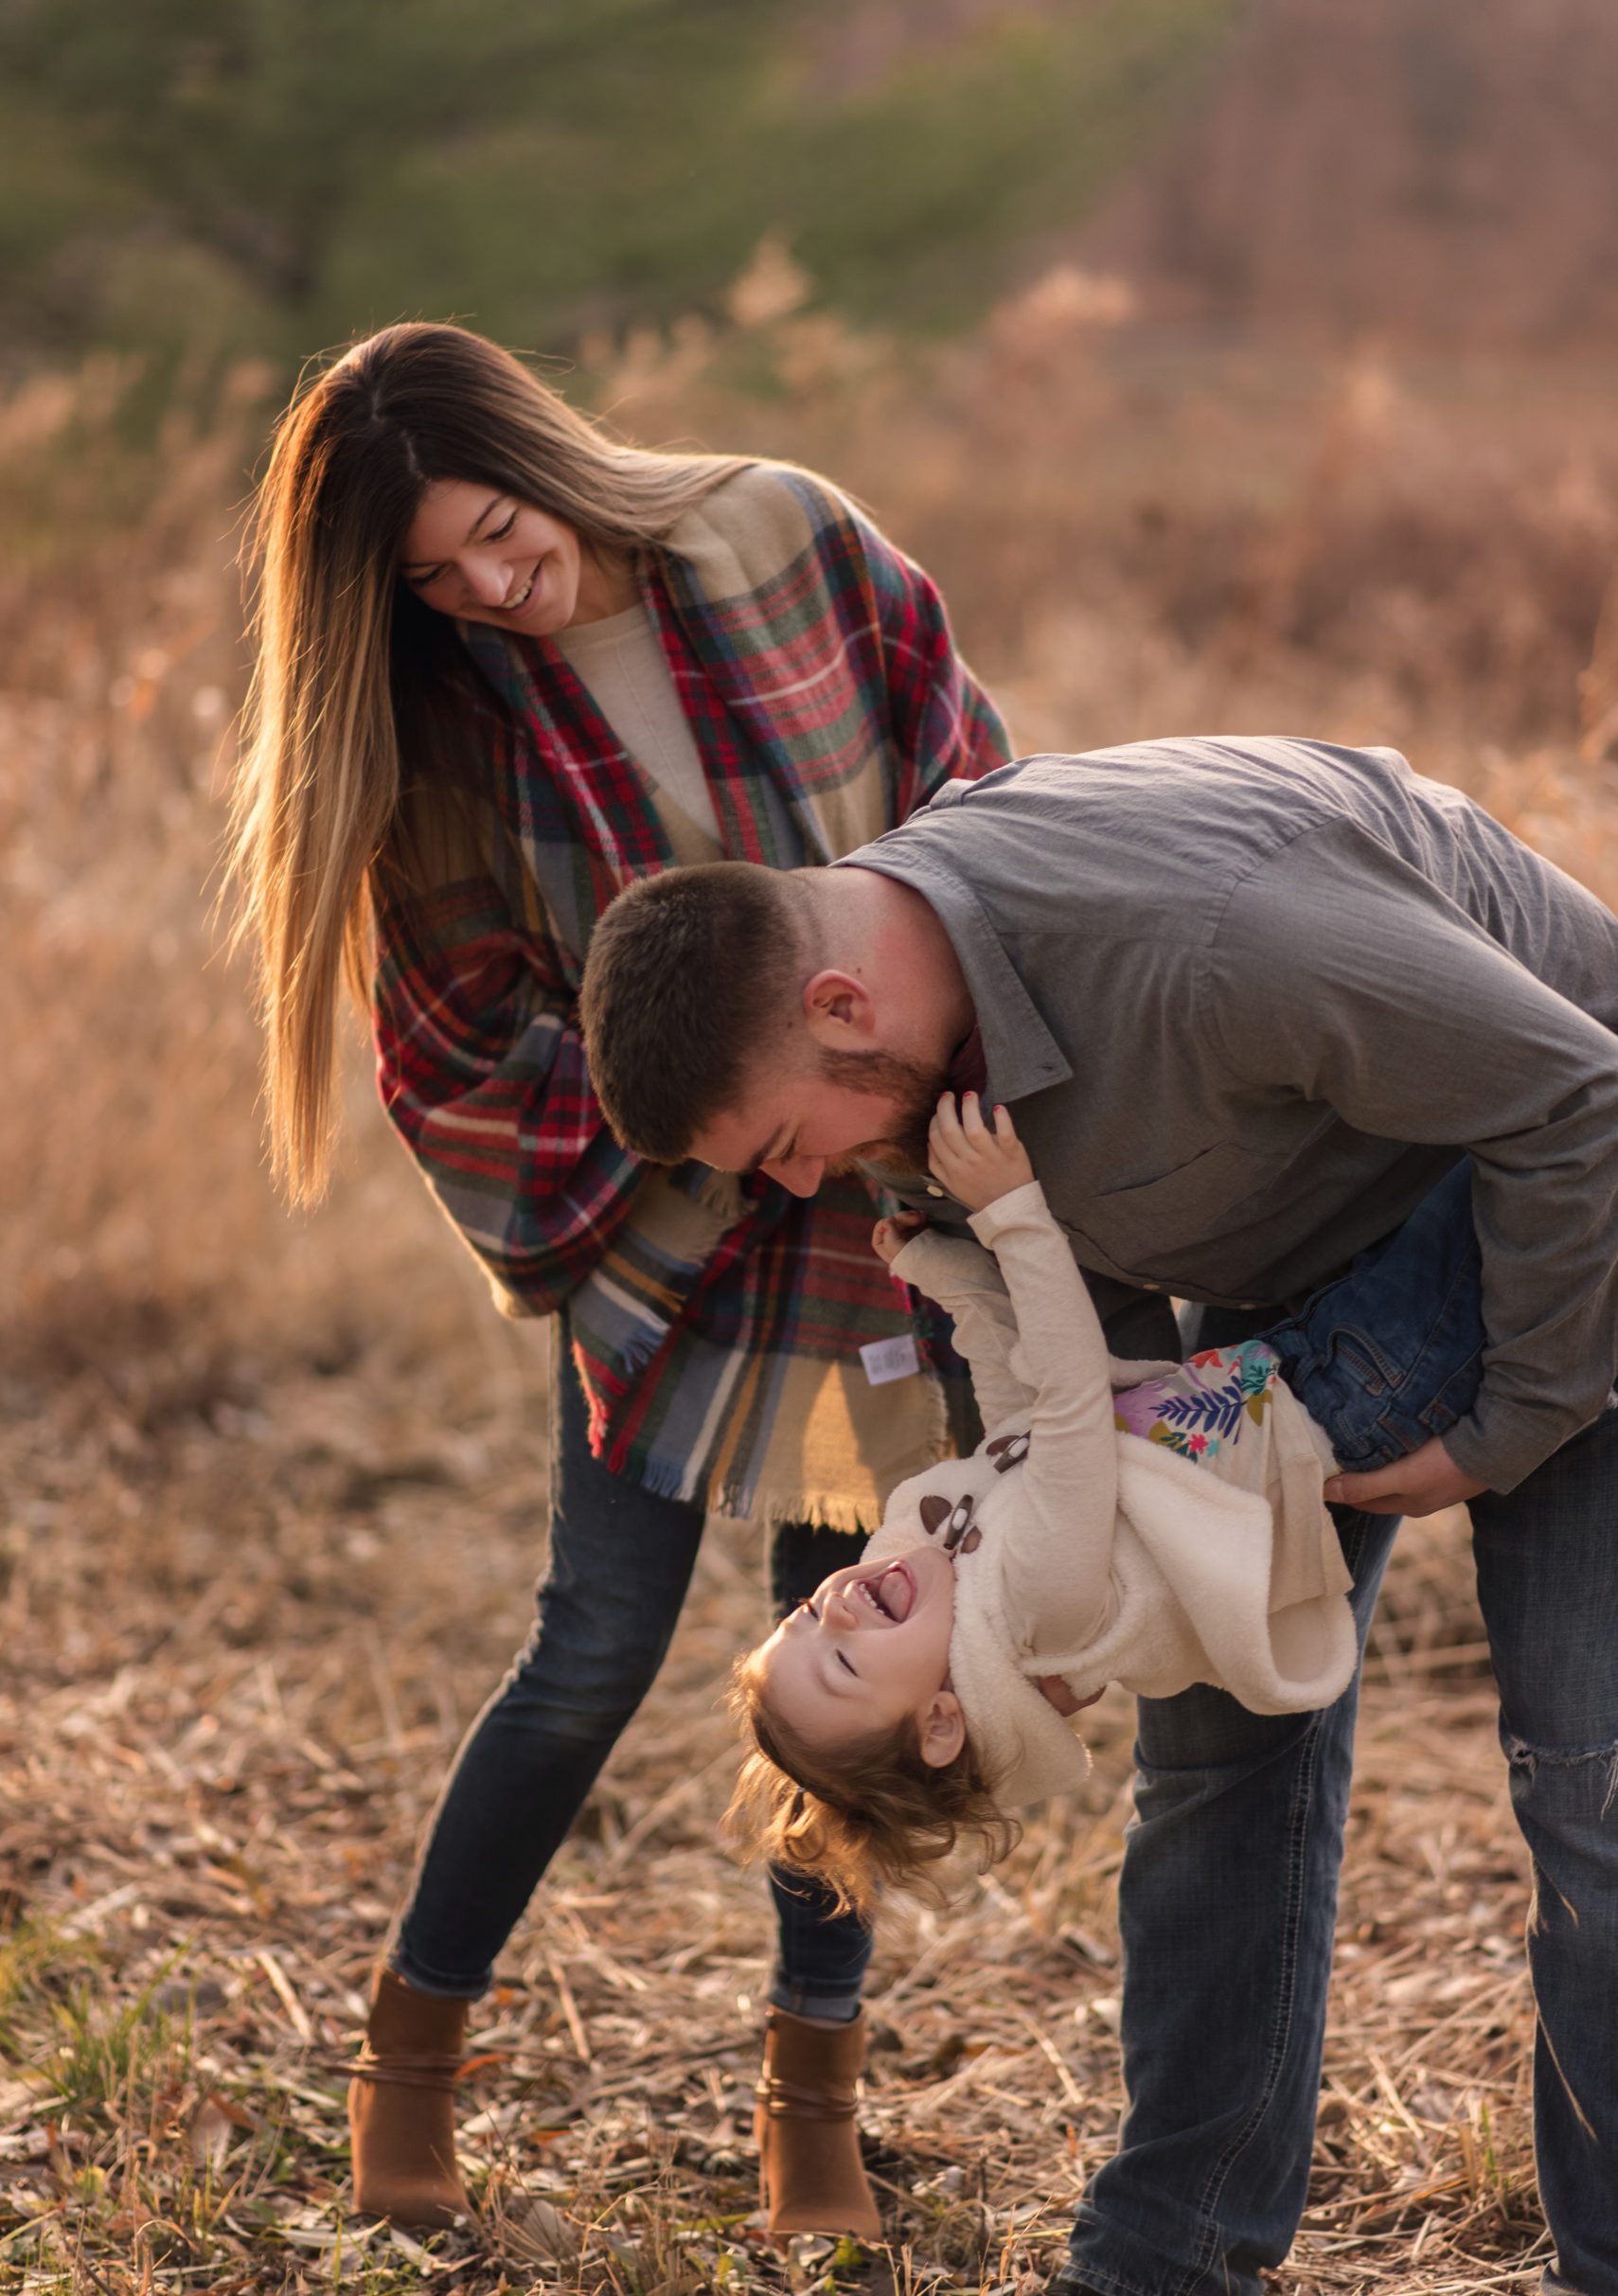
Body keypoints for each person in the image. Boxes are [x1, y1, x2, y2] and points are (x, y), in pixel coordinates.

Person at [578, 737, 1618, 2296]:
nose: (804, 1184)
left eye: (787, 1142)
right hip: (1272, 1352)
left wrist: (1508, 1427)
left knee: (1586, 1792)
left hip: (1559, 1205)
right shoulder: (922, 1086)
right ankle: (1163, 2261)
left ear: (840, 1007)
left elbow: (1577, 1098)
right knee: (1209, 1781)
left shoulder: (1214, 935)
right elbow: (1051, 1390)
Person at [227, 320, 1008, 2237]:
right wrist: (697, 1137)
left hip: (882, 1191)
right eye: (435, 577)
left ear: (544, 457)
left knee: (832, 1657)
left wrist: (907, 1073)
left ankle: (803, 2104)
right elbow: (445, 1044)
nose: (493, 586)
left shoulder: (779, 539)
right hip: (659, 1240)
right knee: (589, 1647)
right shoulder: (433, 736)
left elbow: (975, 793)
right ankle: (412, 2045)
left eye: (499, 529)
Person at [730, 1092, 1484, 1918]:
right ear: (940, 1723)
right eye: (840, 1664)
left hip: (1290, 1367)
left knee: (1465, 1154)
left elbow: (1012, 1422)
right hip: (1347, 1393)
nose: (833, 1613)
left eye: (801, 1615)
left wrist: (950, 1282)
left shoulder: (959, 1569)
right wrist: (1010, 1212)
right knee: (1506, 1174)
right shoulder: (1037, 1609)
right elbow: (1065, 1404)